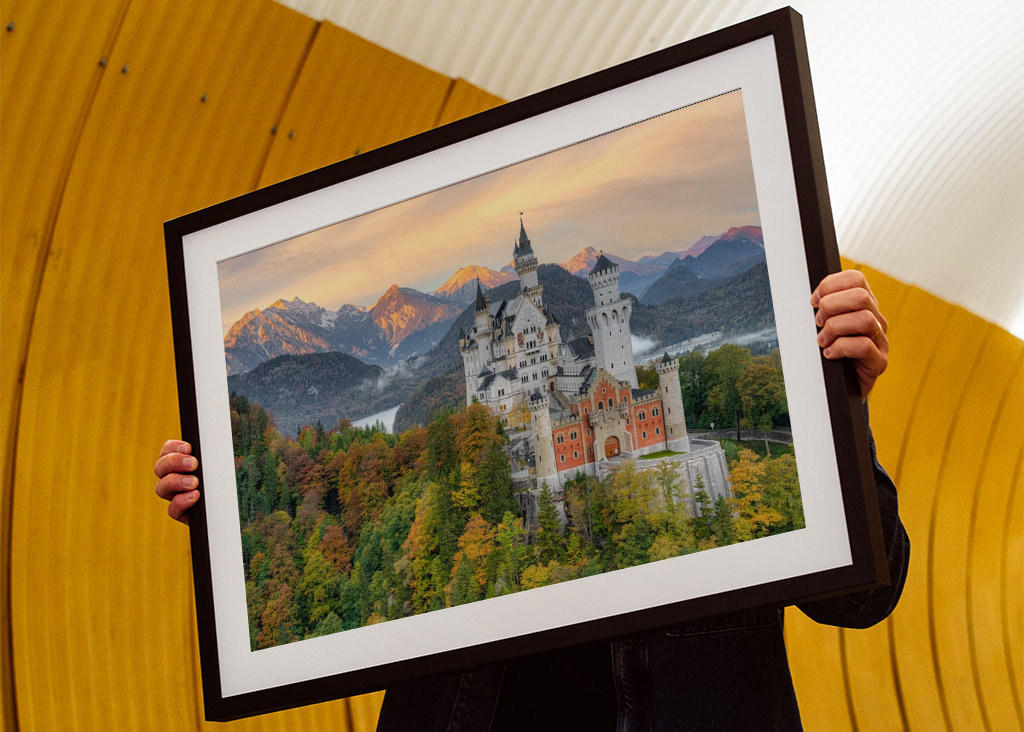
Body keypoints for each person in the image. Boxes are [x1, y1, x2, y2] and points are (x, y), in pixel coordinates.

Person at [155, 270, 908, 730]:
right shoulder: (486, 459)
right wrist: (238, 510)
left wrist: (838, 405)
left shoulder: (607, 400)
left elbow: (865, 596)